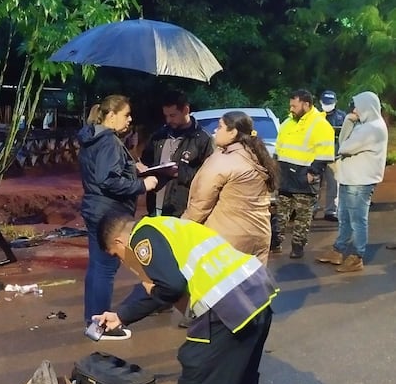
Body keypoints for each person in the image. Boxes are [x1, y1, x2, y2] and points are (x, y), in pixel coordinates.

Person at [93, 213, 278, 384]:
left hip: (225, 309)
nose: (123, 261)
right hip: (257, 294)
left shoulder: (140, 238)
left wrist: (146, 297)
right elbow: (162, 283)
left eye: (117, 255)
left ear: (119, 242)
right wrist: (121, 315)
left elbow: (169, 286)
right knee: (237, 382)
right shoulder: (168, 225)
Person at [77, 95, 159, 340]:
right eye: (126, 114)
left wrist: (134, 169)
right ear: (111, 116)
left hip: (94, 207)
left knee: (97, 267)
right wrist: (142, 186)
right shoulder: (109, 141)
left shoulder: (92, 137)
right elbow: (108, 179)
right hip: (108, 211)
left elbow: (104, 172)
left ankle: (92, 321)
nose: (130, 119)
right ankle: (101, 324)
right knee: (105, 268)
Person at [182, 111, 279, 265]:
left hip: (229, 239)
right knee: (253, 286)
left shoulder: (223, 160)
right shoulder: (258, 155)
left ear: (233, 132)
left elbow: (201, 204)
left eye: (220, 127)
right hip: (260, 235)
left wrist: (182, 227)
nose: (215, 131)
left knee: (221, 287)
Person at [316, 91, 388, 272]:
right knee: (345, 218)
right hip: (351, 178)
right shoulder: (366, 125)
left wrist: (348, 120)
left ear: (367, 106)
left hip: (361, 181)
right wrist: (350, 122)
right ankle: (339, 251)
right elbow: (344, 144)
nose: (354, 109)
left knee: (357, 220)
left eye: (357, 106)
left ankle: (357, 256)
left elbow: (345, 146)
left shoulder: (372, 128)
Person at [273, 89, 335, 258]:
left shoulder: (320, 125)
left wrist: (313, 172)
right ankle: (275, 243)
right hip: (285, 177)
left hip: (304, 177)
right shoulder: (287, 123)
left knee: (302, 217)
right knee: (280, 214)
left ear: (306, 105)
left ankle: (297, 247)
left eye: (294, 105)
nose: (291, 109)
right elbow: (279, 150)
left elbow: (325, 154)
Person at [140, 90, 214, 217]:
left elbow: (208, 178)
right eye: (166, 115)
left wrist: (180, 173)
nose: (168, 120)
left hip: (182, 209)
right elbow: (146, 161)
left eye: (173, 115)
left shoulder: (202, 139)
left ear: (185, 110)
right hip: (155, 206)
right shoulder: (159, 136)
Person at [317, 90, 347, 221]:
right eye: (325, 103)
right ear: (320, 102)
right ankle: (312, 209)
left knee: (333, 185)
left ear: (335, 102)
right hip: (316, 157)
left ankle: (331, 211)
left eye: (330, 103)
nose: (327, 105)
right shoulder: (315, 117)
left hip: (334, 157)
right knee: (314, 185)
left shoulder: (342, 117)